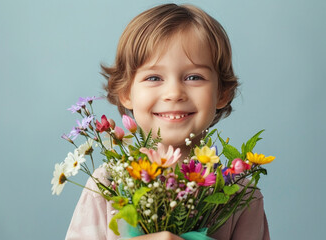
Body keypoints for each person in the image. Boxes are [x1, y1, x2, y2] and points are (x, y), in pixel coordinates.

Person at [66, 3, 270, 240]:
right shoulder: (106, 184)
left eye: (194, 77)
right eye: (154, 77)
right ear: (126, 93)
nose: (174, 93)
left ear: (222, 93)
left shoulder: (239, 194)